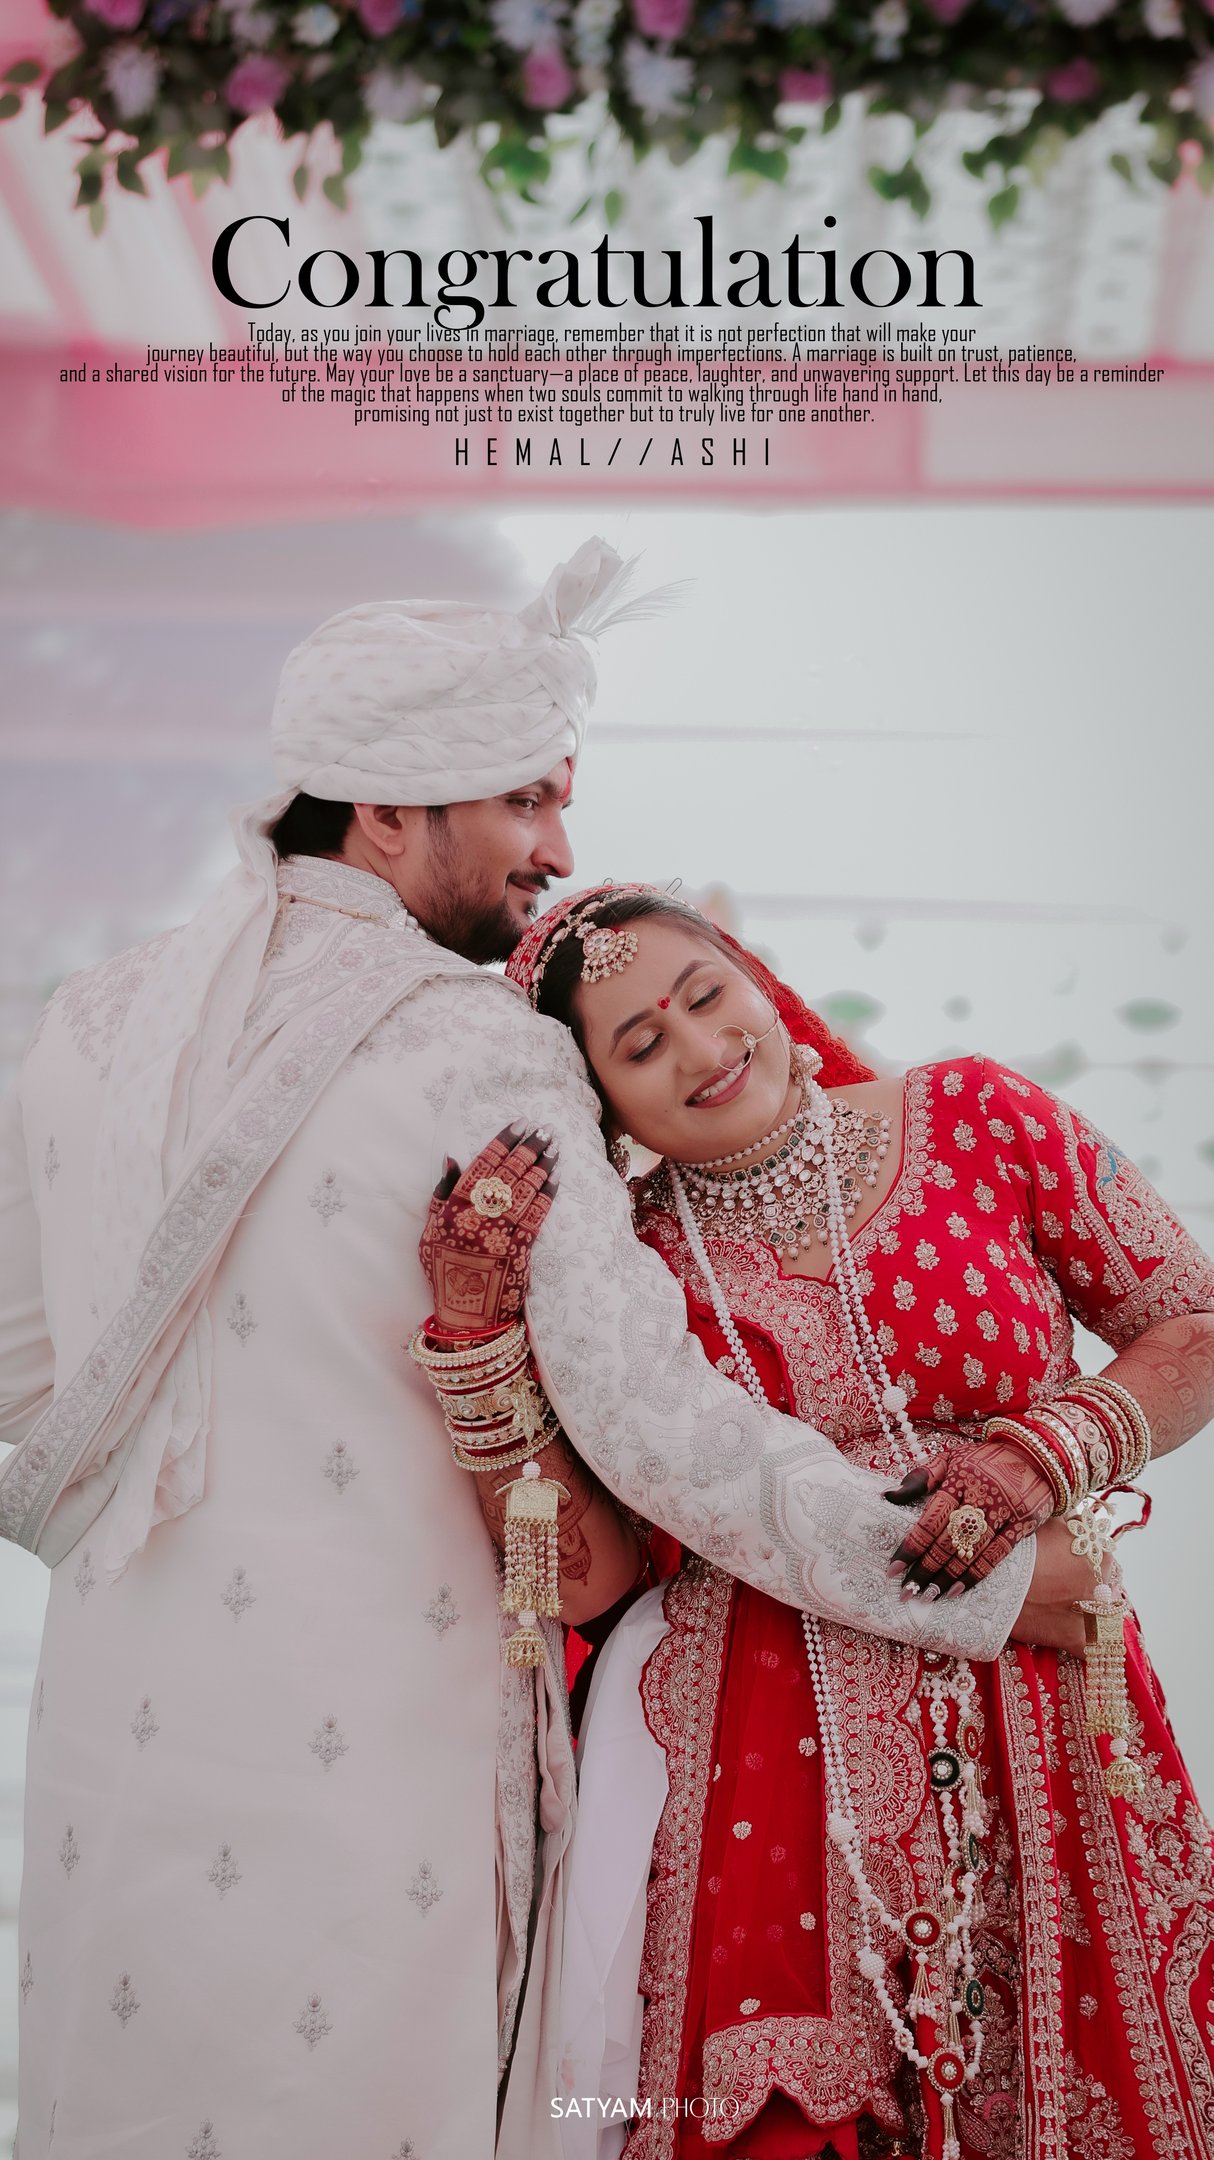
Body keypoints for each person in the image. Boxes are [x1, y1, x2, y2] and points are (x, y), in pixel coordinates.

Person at [0, 542, 1074, 2160]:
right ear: (386, 811)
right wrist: (965, 1575)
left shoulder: (85, 1022)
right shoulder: (467, 1046)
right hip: (384, 1729)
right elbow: (661, 1426)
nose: (553, 851)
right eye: (522, 801)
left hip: (116, 1727)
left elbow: (23, 1390)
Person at [420, 881, 1214, 2160]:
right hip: (763, 1763)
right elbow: (581, 1579)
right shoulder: (629, 1271)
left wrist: (1037, 1455)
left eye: (704, 995)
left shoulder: (973, 1115)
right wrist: (473, 1343)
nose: (698, 1048)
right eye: (638, 1046)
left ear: (752, 972)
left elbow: (1191, 1324)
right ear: (601, 1102)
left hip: (1041, 1693)